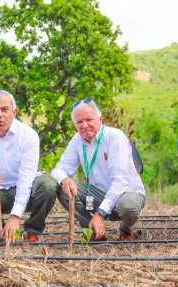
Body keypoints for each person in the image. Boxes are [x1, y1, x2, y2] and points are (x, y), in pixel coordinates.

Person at [0, 90, 58, 244]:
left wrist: (15, 217)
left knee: (48, 184)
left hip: (25, 192)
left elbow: (26, 179)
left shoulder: (28, 135)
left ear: (14, 112)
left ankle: (32, 232)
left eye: (4, 109)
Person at [50, 97, 146, 241]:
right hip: (98, 195)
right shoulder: (77, 140)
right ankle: (92, 230)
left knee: (128, 206)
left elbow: (121, 181)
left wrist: (100, 214)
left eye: (89, 120)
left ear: (100, 119)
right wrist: (65, 180)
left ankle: (126, 230)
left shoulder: (115, 136)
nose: (85, 125)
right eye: (79, 122)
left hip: (125, 193)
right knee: (63, 189)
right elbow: (58, 170)